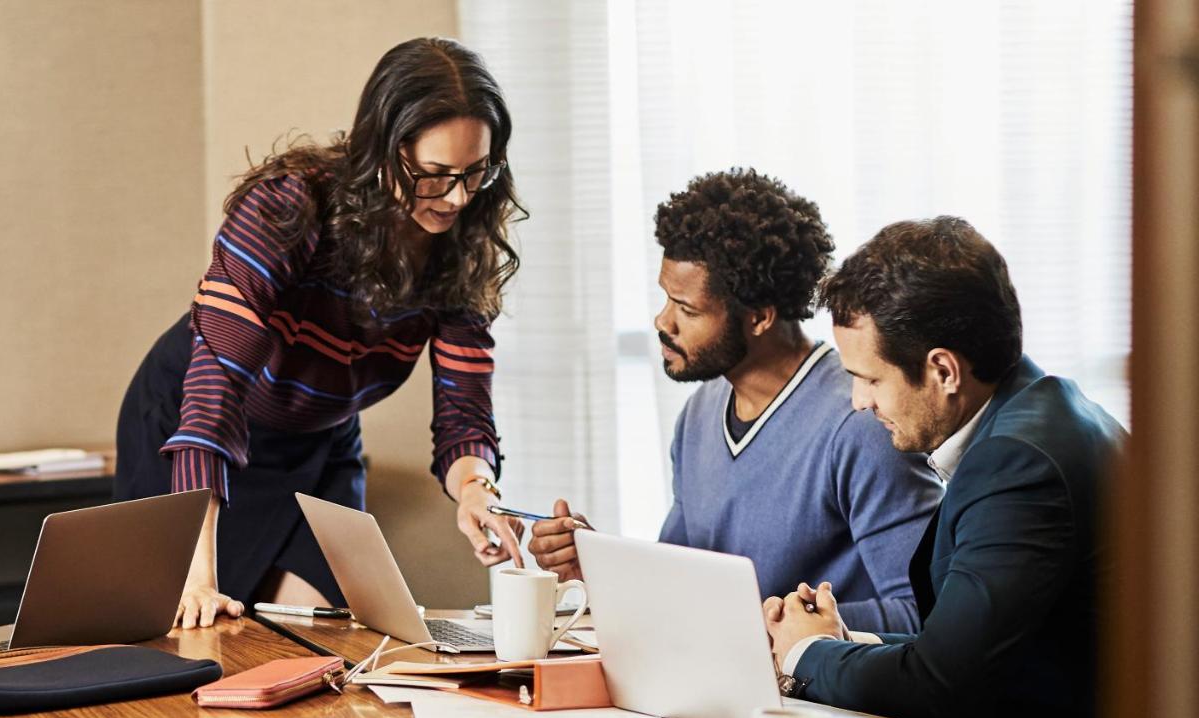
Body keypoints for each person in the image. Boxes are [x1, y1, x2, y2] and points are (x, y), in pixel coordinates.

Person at [115, 38, 527, 629]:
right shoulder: (288, 208)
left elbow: (464, 414)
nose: (458, 198)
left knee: (333, 629)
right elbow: (215, 391)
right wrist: (197, 572)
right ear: (385, 151)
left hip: (318, 440)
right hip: (191, 420)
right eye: (435, 175)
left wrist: (476, 494)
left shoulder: (464, 243)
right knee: (187, 628)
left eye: (475, 173)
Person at [765, 216, 1125, 718]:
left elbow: (942, 683)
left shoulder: (1018, 463)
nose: (859, 402)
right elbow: (965, 649)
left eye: (870, 379)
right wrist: (839, 641)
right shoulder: (1038, 415)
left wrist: (804, 654)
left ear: (943, 370)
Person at [529, 170, 943, 632]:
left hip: (817, 698)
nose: (662, 321)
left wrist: (773, 622)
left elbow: (924, 613)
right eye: (666, 299)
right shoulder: (699, 417)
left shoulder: (866, 424)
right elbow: (679, 586)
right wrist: (594, 567)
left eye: (687, 309)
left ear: (760, 317)